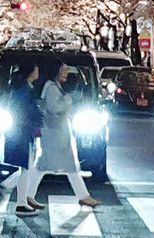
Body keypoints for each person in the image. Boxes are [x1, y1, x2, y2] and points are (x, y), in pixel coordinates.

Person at [25, 59, 99, 212]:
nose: (66, 73)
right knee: (56, 165)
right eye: (64, 70)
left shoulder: (53, 86)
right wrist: (69, 99)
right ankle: (83, 196)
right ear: (56, 71)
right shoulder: (51, 88)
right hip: (54, 133)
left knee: (50, 164)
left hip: (57, 131)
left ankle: (29, 194)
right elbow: (54, 107)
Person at [8, 65, 44, 216]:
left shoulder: (25, 89)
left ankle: (22, 200)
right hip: (23, 132)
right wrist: (39, 116)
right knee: (25, 168)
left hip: (24, 132)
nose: (38, 71)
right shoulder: (24, 91)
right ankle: (21, 203)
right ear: (29, 73)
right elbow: (25, 111)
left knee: (26, 167)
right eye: (36, 69)